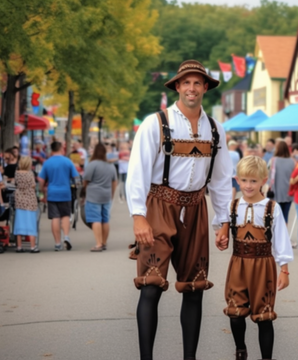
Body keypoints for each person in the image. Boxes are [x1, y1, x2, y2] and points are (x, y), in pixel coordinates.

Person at [126, 59, 231, 360]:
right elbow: (137, 172)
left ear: (206, 87)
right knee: (151, 285)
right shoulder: (156, 123)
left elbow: (222, 178)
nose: (192, 88)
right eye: (186, 82)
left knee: (194, 287)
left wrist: (222, 221)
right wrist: (138, 216)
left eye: (198, 82)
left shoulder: (215, 129)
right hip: (159, 206)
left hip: (196, 208)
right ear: (177, 86)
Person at [215, 156, 293, 360]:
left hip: (263, 266)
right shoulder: (232, 206)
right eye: (244, 180)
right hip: (238, 264)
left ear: (263, 180)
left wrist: (284, 270)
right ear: (237, 180)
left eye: (253, 181)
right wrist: (221, 237)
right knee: (235, 311)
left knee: (264, 315)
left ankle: (266, 357)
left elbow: (281, 240)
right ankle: (240, 350)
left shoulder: (272, 208)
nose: (248, 185)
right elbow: (221, 227)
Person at [38, 141, 79, 251]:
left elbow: (41, 180)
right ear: (61, 148)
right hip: (65, 192)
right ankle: (66, 236)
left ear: (51, 150)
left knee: (55, 217)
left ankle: (57, 243)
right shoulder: (67, 161)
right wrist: (78, 190)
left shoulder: (47, 163)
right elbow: (76, 177)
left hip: (52, 193)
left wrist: (42, 190)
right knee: (65, 215)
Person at [83, 143, 117, 252]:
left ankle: (98, 244)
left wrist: (85, 189)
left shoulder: (92, 164)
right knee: (105, 219)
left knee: (95, 219)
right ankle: (104, 242)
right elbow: (114, 181)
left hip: (93, 195)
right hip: (106, 195)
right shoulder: (110, 166)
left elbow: (86, 179)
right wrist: (111, 194)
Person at [14, 156, 39, 253]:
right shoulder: (30, 173)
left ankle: (19, 247)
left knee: (19, 224)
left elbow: (16, 184)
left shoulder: (17, 173)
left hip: (19, 201)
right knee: (31, 224)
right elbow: (33, 185)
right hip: (29, 201)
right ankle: (33, 247)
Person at [269, 141, 295, 224]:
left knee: (276, 216)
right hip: (289, 192)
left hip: (276, 192)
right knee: (285, 215)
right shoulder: (292, 161)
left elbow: (269, 175)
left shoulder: (273, 160)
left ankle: (277, 235)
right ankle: (284, 235)